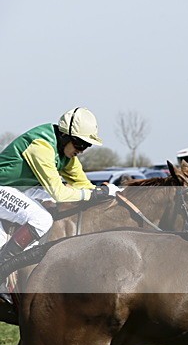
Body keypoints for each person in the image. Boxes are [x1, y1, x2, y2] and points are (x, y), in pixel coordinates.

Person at [0, 107, 115, 265]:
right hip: (4, 188)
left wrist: (112, 191)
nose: (81, 150)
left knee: (56, 202)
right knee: (42, 219)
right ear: (64, 135)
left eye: (86, 145)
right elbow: (59, 193)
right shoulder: (41, 147)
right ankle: (3, 266)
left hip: (18, 189)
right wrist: (92, 194)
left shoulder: (66, 156)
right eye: (80, 144)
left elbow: (84, 186)